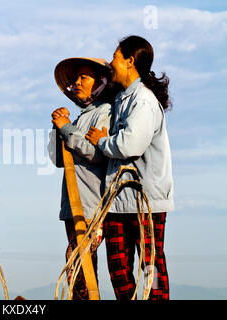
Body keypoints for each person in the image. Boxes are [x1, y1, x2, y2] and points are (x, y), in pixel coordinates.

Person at [85, 35, 174, 300]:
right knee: (119, 267)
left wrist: (101, 140)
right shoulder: (123, 99)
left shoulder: (143, 101)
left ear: (130, 62)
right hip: (118, 200)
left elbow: (130, 145)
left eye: (115, 57)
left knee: (151, 267)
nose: (111, 62)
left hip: (145, 199)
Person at [48, 57, 120, 300]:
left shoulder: (105, 113)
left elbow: (96, 153)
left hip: (91, 204)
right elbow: (58, 158)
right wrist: (57, 128)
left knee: (78, 263)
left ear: (100, 82)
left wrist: (66, 128)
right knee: (81, 268)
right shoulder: (81, 118)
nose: (77, 83)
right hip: (73, 204)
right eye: (76, 79)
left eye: (84, 78)